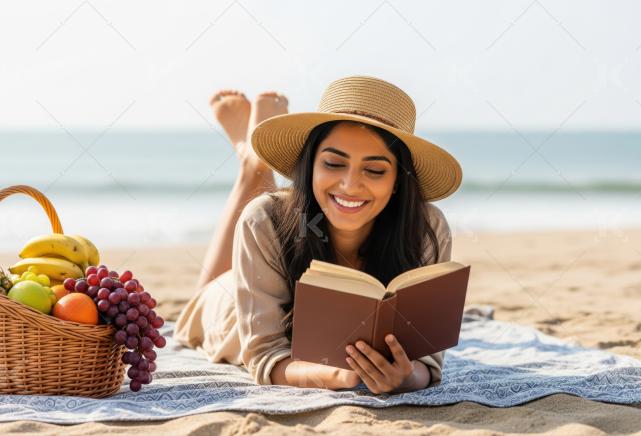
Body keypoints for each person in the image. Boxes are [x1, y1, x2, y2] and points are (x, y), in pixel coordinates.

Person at [174, 76, 463, 394]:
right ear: (310, 165)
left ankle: (254, 161)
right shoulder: (264, 218)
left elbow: (427, 360)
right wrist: (334, 376)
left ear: (397, 179)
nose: (350, 185)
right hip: (231, 305)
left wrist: (407, 378)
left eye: (375, 170)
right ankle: (251, 163)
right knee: (204, 294)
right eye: (334, 163)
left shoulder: (426, 228)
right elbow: (265, 355)